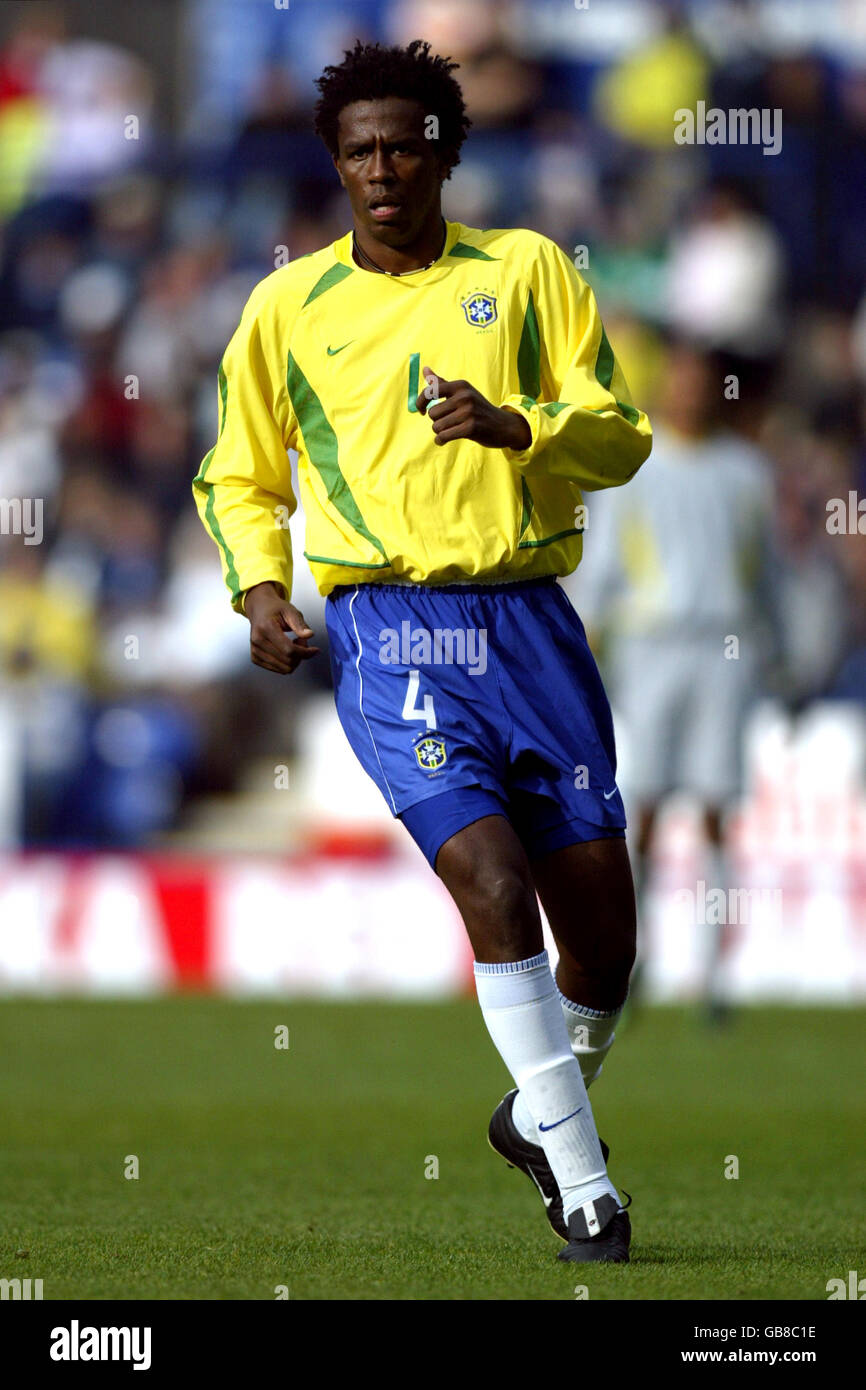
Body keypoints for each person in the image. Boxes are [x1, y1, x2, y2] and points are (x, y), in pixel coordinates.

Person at [193, 39, 652, 1264]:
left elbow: (620, 435)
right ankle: (587, 1184)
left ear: (445, 151)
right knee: (494, 885)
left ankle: (534, 1113)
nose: (382, 168)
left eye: (404, 145)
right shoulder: (287, 308)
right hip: (394, 628)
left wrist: (521, 425)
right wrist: (258, 591)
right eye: (358, 151)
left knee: (604, 941)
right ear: (334, 167)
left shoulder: (529, 270)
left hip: (533, 625)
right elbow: (237, 474)